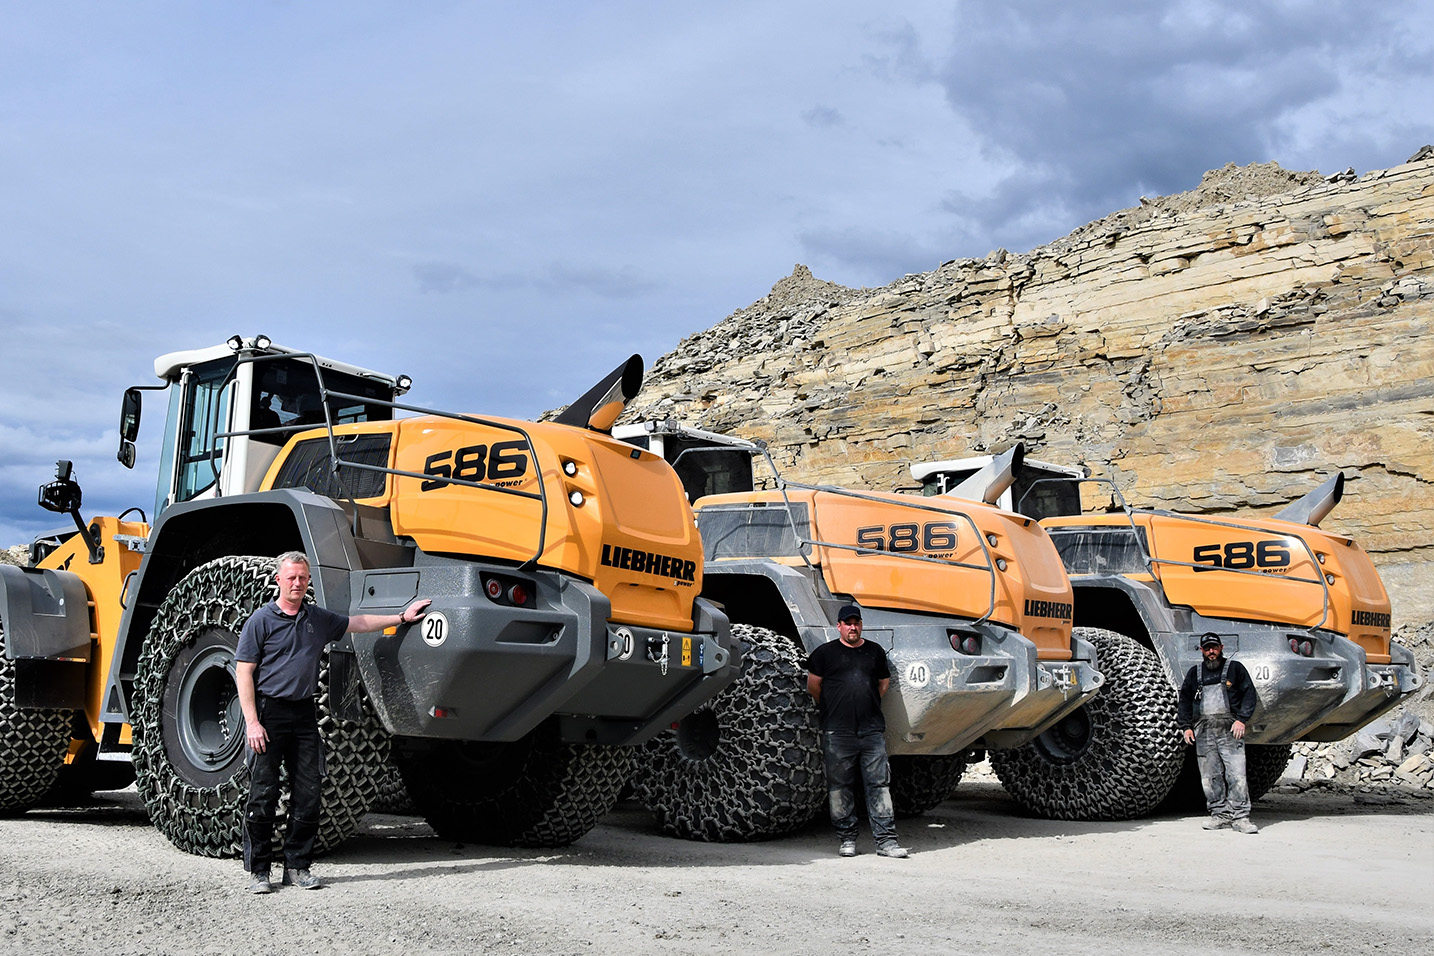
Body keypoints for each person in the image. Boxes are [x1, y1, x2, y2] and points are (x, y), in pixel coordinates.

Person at [236, 551, 431, 893]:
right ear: (278, 580)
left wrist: (401, 616)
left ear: (308, 580)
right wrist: (252, 722)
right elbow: (244, 672)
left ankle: (297, 867)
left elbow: (358, 622)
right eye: (291, 577)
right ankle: (259, 871)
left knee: (308, 793)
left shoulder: (318, 618)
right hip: (269, 714)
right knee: (264, 794)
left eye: (303, 577)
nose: (297, 583)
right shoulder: (261, 621)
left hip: (304, 714)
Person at [805, 603, 909, 859]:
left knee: (879, 786)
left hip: (871, 732)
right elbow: (813, 686)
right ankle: (847, 839)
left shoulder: (874, 652)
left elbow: (882, 684)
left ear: (861, 625)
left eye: (857, 623)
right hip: (837, 733)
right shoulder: (824, 654)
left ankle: (886, 842)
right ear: (838, 626)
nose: (853, 627)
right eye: (848, 623)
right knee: (840, 787)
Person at [1177, 633, 1259, 834]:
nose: (1211, 652)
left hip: (1230, 729)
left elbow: (1249, 694)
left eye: (1214, 647)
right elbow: (1185, 700)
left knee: (1236, 774)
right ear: (1201, 650)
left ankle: (1241, 817)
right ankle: (1219, 815)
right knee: (1210, 776)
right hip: (1204, 731)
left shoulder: (1235, 669)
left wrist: (1241, 719)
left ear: (1221, 647)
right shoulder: (1194, 674)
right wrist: (1186, 726)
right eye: (1207, 648)